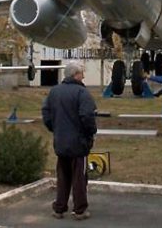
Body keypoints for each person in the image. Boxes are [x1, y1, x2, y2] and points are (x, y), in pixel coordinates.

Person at [42, 62, 97, 221]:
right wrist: (91, 132)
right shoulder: (82, 93)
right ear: (76, 75)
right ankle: (79, 209)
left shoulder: (54, 91)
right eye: (82, 73)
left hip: (60, 141)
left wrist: (55, 128)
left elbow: (46, 112)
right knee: (79, 177)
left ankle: (59, 207)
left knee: (63, 176)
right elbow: (87, 116)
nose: (84, 76)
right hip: (78, 143)